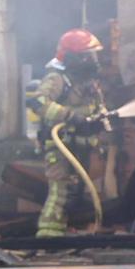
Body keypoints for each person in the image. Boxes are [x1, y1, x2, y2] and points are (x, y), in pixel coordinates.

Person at [29, 29, 108, 238]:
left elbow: (95, 108)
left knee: (77, 192)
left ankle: (65, 232)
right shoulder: (57, 78)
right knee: (60, 191)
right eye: (89, 55)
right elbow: (37, 102)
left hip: (81, 145)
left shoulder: (88, 81)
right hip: (60, 145)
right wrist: (70, 117)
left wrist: (98, 121)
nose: (94, 60)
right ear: (76, 57)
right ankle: (48, 237)